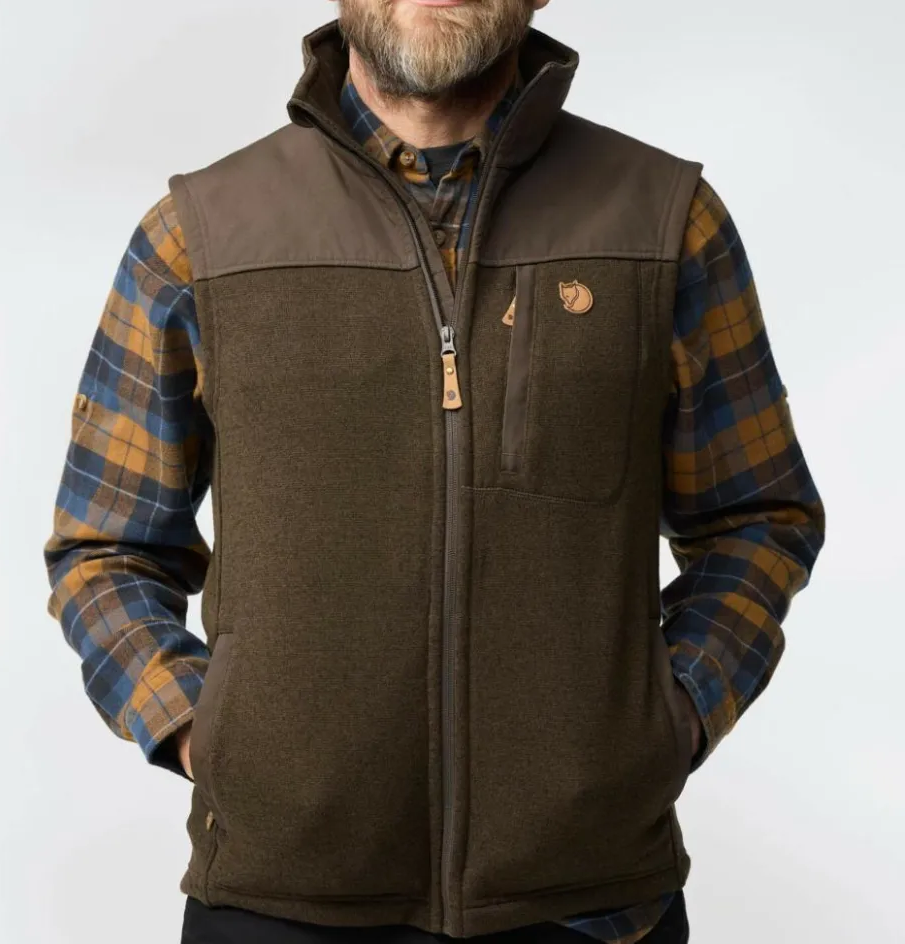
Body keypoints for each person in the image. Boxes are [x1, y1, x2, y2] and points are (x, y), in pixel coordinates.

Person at [42, 2, 826, 942]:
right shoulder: (198, 237)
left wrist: (672, 719)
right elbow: (105, 546)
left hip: (591, 905)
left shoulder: (666, 221)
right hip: (277, 903)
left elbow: (758, 516)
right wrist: (206, 737)